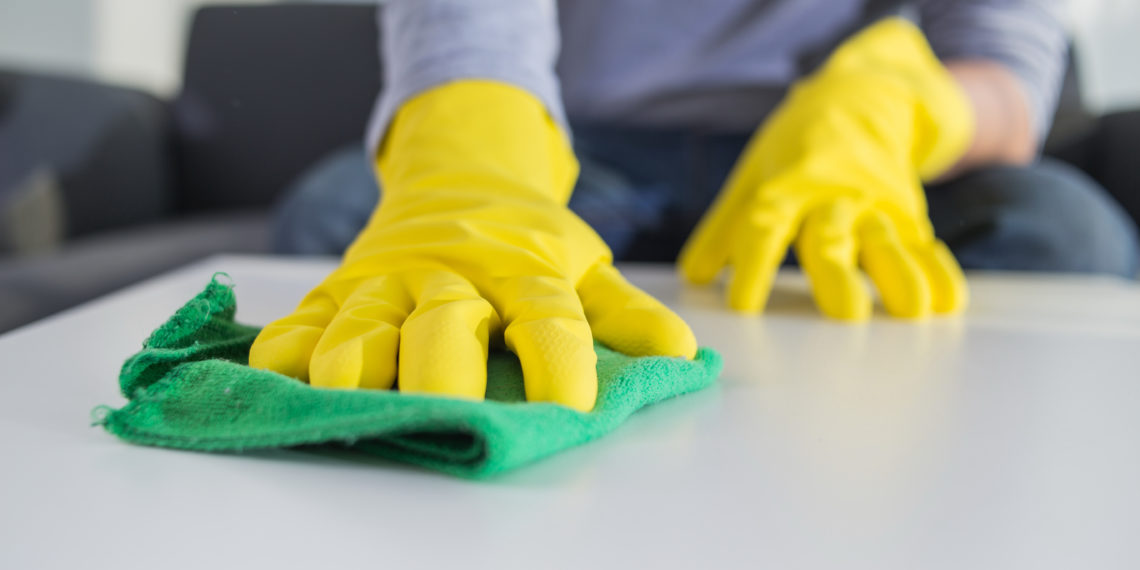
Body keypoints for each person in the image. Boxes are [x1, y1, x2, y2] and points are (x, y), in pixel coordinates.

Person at [251, 0, 1140, 412]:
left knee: (1068, 233)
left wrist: (892, 112)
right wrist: (473, 149)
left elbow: (1006, 69)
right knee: (332, 213)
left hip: (829, 152)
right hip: (587, 146)